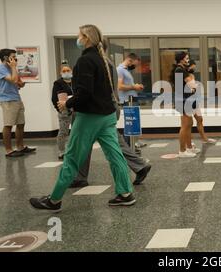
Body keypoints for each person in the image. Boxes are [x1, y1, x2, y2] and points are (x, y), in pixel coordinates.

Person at [30, 24, 135, 212]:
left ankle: (54, 200)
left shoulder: (85, 61)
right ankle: (125, 193)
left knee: (71, 157)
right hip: (107, 115)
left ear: (86, 38)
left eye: (79, 35)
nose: (77, 38)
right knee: (115, 154)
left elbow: (84, 93)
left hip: (90, 116)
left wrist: (67, 104)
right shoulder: (103, 60)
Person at [69, 39, 152, 188]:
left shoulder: (91, 62)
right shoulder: (108, 64)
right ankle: (139, 166)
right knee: (114, 142)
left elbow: (87, 90)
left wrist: (69, 103)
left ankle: (79, 177)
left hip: (94, 110)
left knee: (83, 143)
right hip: (108, 108)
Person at [0, 49, 36, 158]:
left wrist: (21, 83)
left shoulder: (12, 68)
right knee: (8, 125)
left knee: (21, 123)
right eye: (13, 57)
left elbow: (18, 82)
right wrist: (13, 67)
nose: (15, 59)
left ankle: (20, 146)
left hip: (16, 98)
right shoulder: (0, 69)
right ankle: (8, 150)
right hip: (7, 100)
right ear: (5, 58)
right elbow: (12, 80)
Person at [171, 51, 200, 158]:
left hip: (186, 99)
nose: (188, 59)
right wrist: (191, 77)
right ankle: (182, 150)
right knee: (185, 126)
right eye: (186, 58)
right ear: (181, 59)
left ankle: (189, 147)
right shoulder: (180, 70)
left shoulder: (182, 69)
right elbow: (192, 84)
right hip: (183, 100)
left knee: (189, 124)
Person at [117, 53, 146, 149]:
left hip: (132, 99)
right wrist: (134, 86)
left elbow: (127, 85)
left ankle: (133, 143)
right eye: (134, 64)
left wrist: (135, 86)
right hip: (127, 100)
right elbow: (120, 86)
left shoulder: (126, 70)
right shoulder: (120, 70)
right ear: (130, 60)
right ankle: (128, 147)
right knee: (130, 124)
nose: (134, 66)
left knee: (133, 123)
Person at [187, 61, 216, 145]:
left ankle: (204, 138)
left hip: (194, 100)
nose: (194, 68)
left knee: (200, 119)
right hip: (187, 101)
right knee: (188, 123)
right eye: (193, 67)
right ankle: (188, 141)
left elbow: (193, 88)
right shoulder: (185, 76)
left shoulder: (192, 75)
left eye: (194, 67)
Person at [51, 62, 74, 160]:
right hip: (64, 110)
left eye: (68, 70)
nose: (66, 72)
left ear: (71, 71)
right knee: (63, 132)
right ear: (60, 73)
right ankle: (61, 151)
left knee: (76, 131)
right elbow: (54, 98)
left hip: (76, 110)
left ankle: (73, 150)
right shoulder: (58, 83)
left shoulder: (75, 81)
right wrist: (60, 110)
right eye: (64, 71)